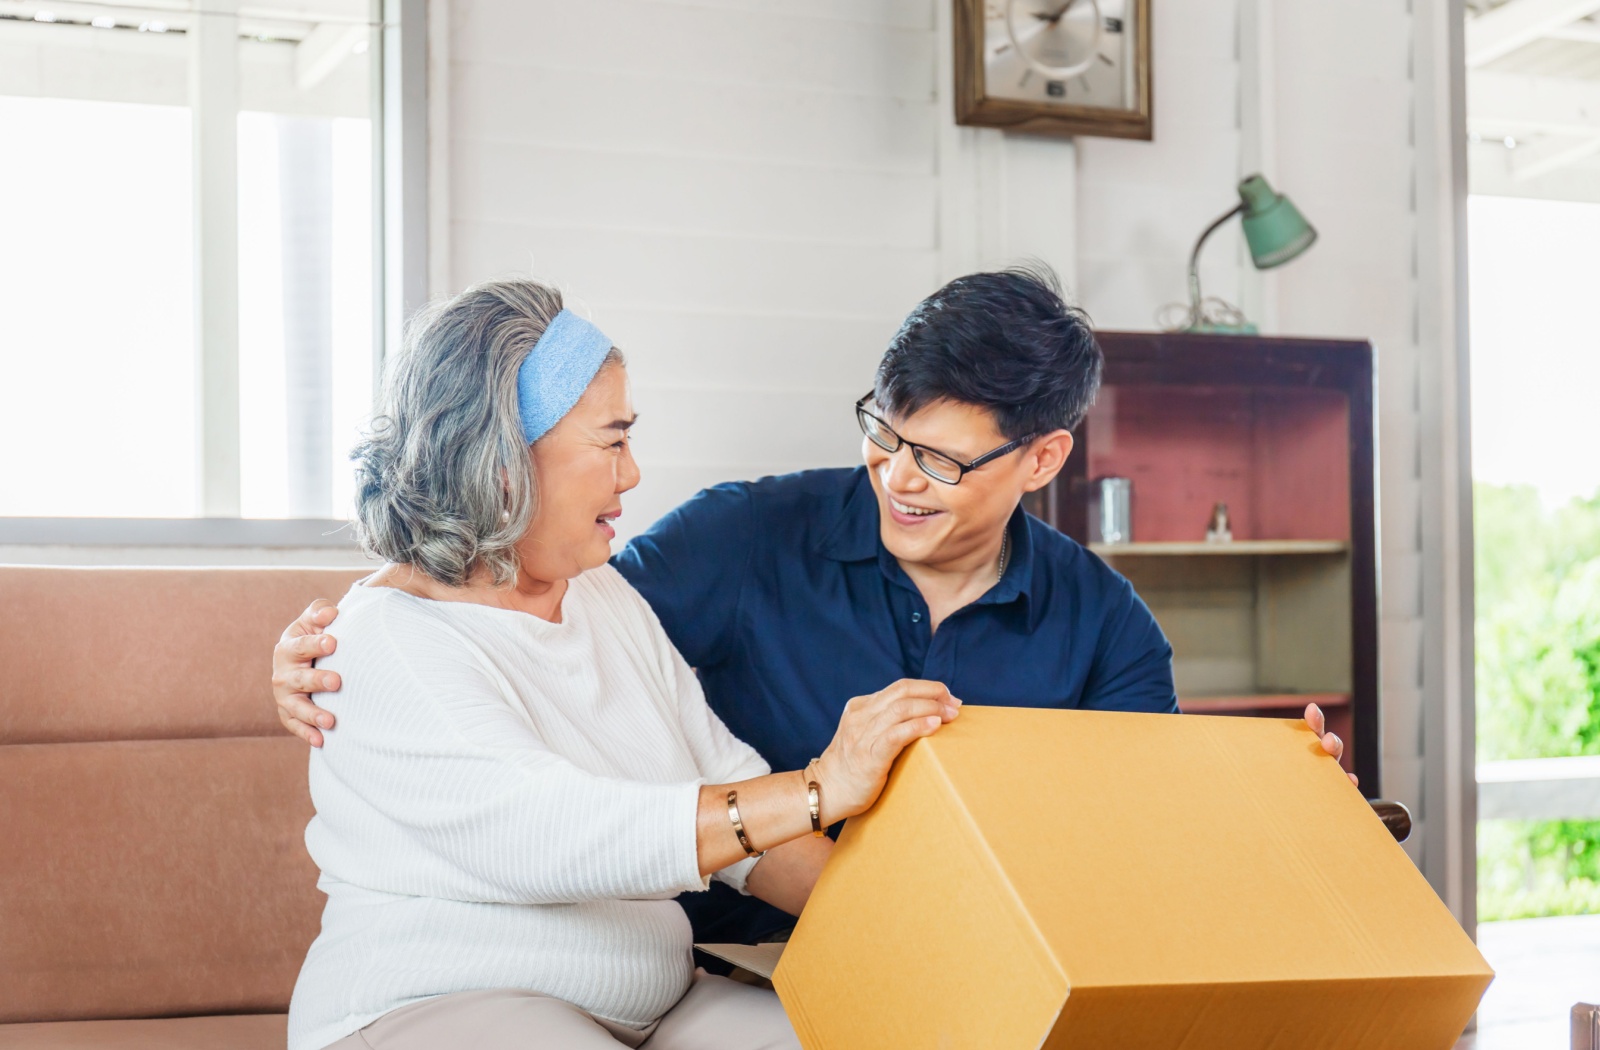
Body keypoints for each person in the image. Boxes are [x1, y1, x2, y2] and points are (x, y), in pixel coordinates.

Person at [274, 266, 1352, 954]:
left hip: (954, 952)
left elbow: (1136, 841)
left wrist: (1267, 804)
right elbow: (516, 612)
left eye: (937, 457)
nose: (898, 477)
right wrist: (335, 643)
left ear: (1042, 459)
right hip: (731, 957)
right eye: (883, 434)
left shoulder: (1107, 628)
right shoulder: (740, 539)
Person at [284, 278, 958, 1050]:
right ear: (502, 460)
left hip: (658, 1004)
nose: (631, 473)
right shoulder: (382, 647)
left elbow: (723, 781)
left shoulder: (600, 594)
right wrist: (814, 789)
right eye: (612, 441)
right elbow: (564, 836)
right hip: (438, 1001)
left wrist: (943, 939)